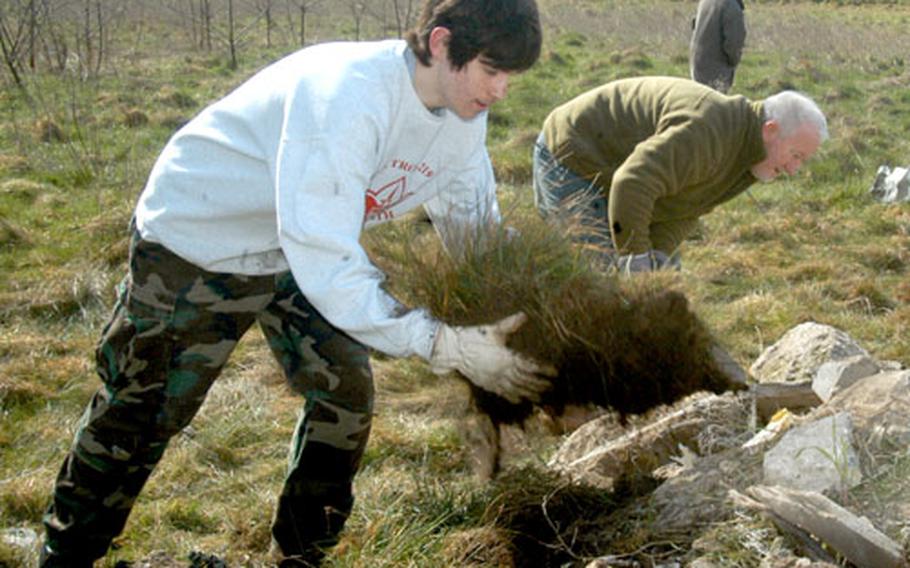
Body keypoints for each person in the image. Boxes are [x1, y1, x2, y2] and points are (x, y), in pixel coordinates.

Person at [39, 1, 553, 566]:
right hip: (201, 240)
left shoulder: (464, 116)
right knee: (146, 410)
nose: (502, 90)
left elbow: (475, 230)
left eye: (512, 76)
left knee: (344, 397)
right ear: (439, 44)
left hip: (295, 246)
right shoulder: (346, 96)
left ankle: (302, 555)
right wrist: (439, 342)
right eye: (492, 69)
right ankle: (64, 555)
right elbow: (329, 264)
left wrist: (537, 310)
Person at [532, 76, 827, 272]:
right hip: (575, 155)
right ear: (771, 130)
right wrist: (635, 259)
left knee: (663, 276)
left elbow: (685, 209)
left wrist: (658, 255)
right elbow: (632, 183)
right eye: (795, 155)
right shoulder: (709, 133)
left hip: (620, 171)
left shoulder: (749, 156)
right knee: (599, 275)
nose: (793, 170)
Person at [689, 0, 746, 94]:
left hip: (697, 64)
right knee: (715, 105)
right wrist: (733, 61)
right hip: (716, 69)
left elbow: (694, 27)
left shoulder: (705, 1)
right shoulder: (731, 6)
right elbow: (734, 42)